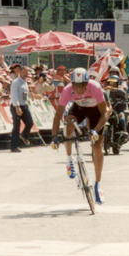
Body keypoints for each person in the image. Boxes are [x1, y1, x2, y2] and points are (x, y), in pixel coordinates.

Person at [51, 67, 108, 204]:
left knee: (97, 145)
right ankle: (69, 158)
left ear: (87, 83)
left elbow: (105, 113)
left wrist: (95, 130)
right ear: (72, 84)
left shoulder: (95, 87)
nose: (79, 89)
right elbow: (58, 115)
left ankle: (98, 185)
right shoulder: (67, 90)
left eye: (82, 85)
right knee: (68, 123)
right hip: (79, 108)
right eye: (76, 85)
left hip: (96, 111)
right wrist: (54, 136)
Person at [9, 66, 34, 152]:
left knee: (30, 123)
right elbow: (14, 96)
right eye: (24, 72)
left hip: (24, 105)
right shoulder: (16, 82)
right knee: (16, 126)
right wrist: (17, 107)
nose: (25, 74)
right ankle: (14, 146)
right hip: (17, 106)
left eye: (27, 72)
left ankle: (24, 135)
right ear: (20, 72)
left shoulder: (25, 82)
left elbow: (25, 94)